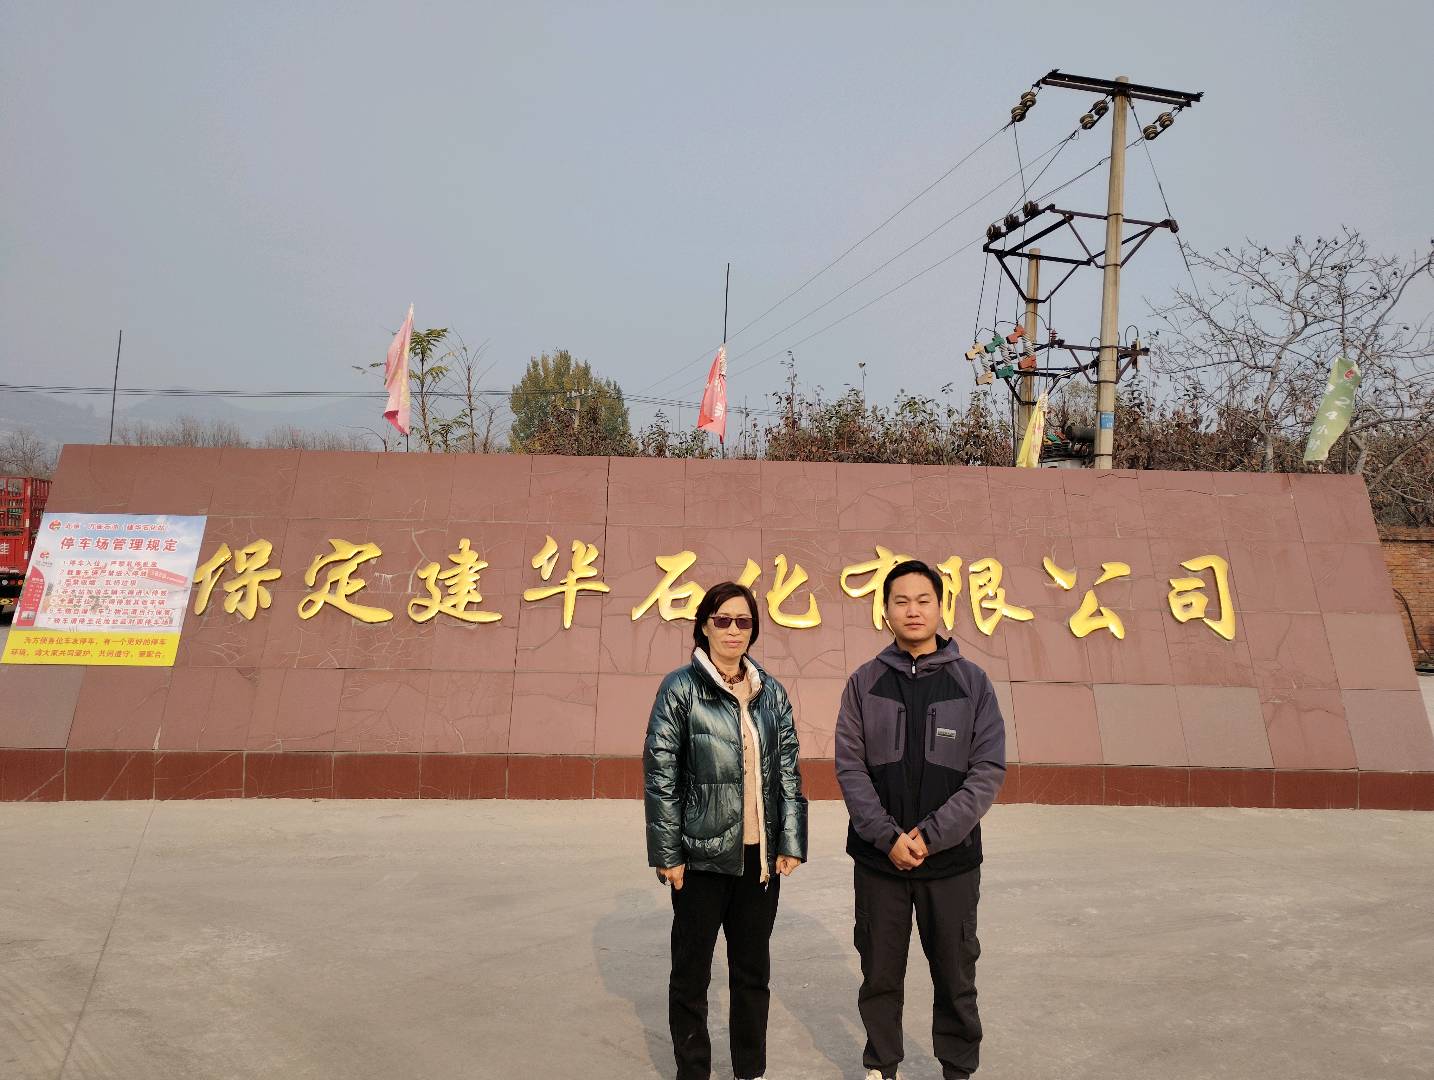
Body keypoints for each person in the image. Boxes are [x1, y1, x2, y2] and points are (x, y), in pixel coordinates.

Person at [835, 559, 1006, 1080]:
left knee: (955, 974)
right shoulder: (865, 683)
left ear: (940, 607)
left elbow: (986, 771)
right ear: (885, 611)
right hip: (880, 862)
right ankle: (882, 1065)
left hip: (951, 862)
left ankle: (957, 1068)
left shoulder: (972, 683)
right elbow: (850, 768)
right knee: (879, 973)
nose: (913, 610)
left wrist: (930, 837)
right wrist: (887, 836)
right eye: (901, 601)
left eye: (923, 600)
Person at [644, 581, 809, 1080]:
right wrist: (667, 854)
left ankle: (749, 1071)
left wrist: (791, 840)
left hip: (759, 861)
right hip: (700, 858)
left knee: (752, 973)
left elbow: (788, 772)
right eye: (723, 620)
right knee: (691, 974)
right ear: (705, 625)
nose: (733, 630)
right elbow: (661, 775)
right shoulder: (680, 689)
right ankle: (693, 1071)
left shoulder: (770, 692)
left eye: (743, 621)